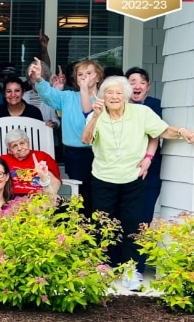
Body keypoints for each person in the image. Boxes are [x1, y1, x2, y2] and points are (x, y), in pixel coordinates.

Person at [82, 76, 194, 290]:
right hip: (103, 178)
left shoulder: (141, 113)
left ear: (125, 95)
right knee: (103, 224)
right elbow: (86, 139)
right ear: (103, 96)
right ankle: (101, 267)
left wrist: (182, 132)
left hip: (132, 179)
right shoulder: (96, 115)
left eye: (118, 93)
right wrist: (96, 117)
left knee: (133, 224)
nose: (114, 97)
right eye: (109, 93)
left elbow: (162, 130)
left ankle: (131, 270)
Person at [31, 57, 102, 217]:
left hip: (101, 152)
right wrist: (40, 79)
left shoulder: (105, 98)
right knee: (83, 195)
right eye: (80, 74)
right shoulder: (68, 97)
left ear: (97, 76)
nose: (84, 77)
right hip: (75, 154)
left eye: (89, 73)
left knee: (101, 194)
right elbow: (48, 95)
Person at [125, 67, 163, 274]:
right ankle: (118, 262)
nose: (137, 86)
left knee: (143, 219)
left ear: (148, 86)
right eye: (132, 81)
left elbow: (154, 133)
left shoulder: (154, 106)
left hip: (149, 170)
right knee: (123, 218)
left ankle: (137, 266)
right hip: (122, 171)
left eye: (141, 82)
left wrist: (147, 158)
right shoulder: (119, 107)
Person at [0, 129, 61, 196]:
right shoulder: (4, 159)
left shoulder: (42, 157)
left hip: (39, 198)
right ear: (10, 150)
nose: (19, 148)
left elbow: (55, 181)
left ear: (28, 142)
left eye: (22, 143)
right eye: (14, 146)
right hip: (11, 199)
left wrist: (51, 197)